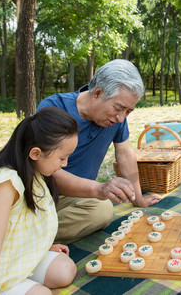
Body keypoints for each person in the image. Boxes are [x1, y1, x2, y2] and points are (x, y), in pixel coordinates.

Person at [37, 59, 162, 243]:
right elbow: (44, 171)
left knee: (100, 211)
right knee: (101, 207)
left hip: (78, 198)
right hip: (40, 194)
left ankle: (33, 236)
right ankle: (24, 238)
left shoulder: (116, 118)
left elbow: (125, 153)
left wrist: (138, 197)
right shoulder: (54, 109)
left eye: (128, 111)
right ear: (97, 92)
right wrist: (99, 188)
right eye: (119, 108)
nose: (121, 118)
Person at [0, 107, 78, 294]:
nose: (64, 164)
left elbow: (22, 223)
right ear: (35, 153)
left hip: (14, 255)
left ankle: (24, 276)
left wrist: (42, 245)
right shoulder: (5, 184)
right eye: (62, 158)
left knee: (65, 270)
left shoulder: (35, 171)